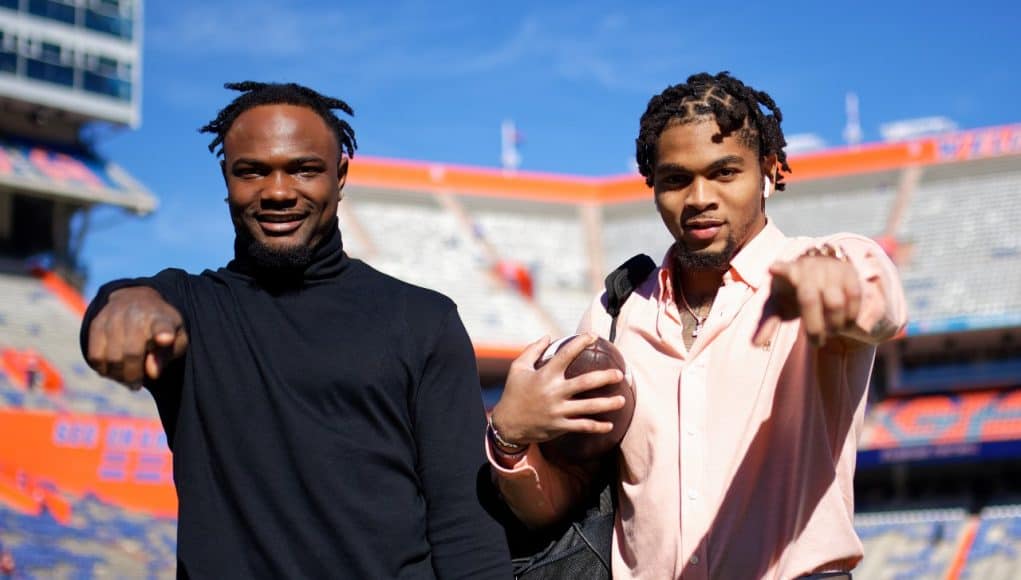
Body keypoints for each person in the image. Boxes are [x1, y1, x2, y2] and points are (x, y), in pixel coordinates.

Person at [80, 82, 511, 579]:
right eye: (253, 172)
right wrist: (122, 305)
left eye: (303, 169)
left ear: (340, 175)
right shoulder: (191, 312)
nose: (279, 192)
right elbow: (123, 304)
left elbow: (466, 527)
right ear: (226, 179)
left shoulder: (424, 320)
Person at [486, 72, 907, 579]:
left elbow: (879, 300)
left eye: (725, 172)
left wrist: (840, 284)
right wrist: (509, 437)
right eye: (676, 179)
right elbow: (557, 506)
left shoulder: (820, 267)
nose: (699, 197)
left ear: (770, 172)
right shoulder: (613, 316)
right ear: (654, 186)